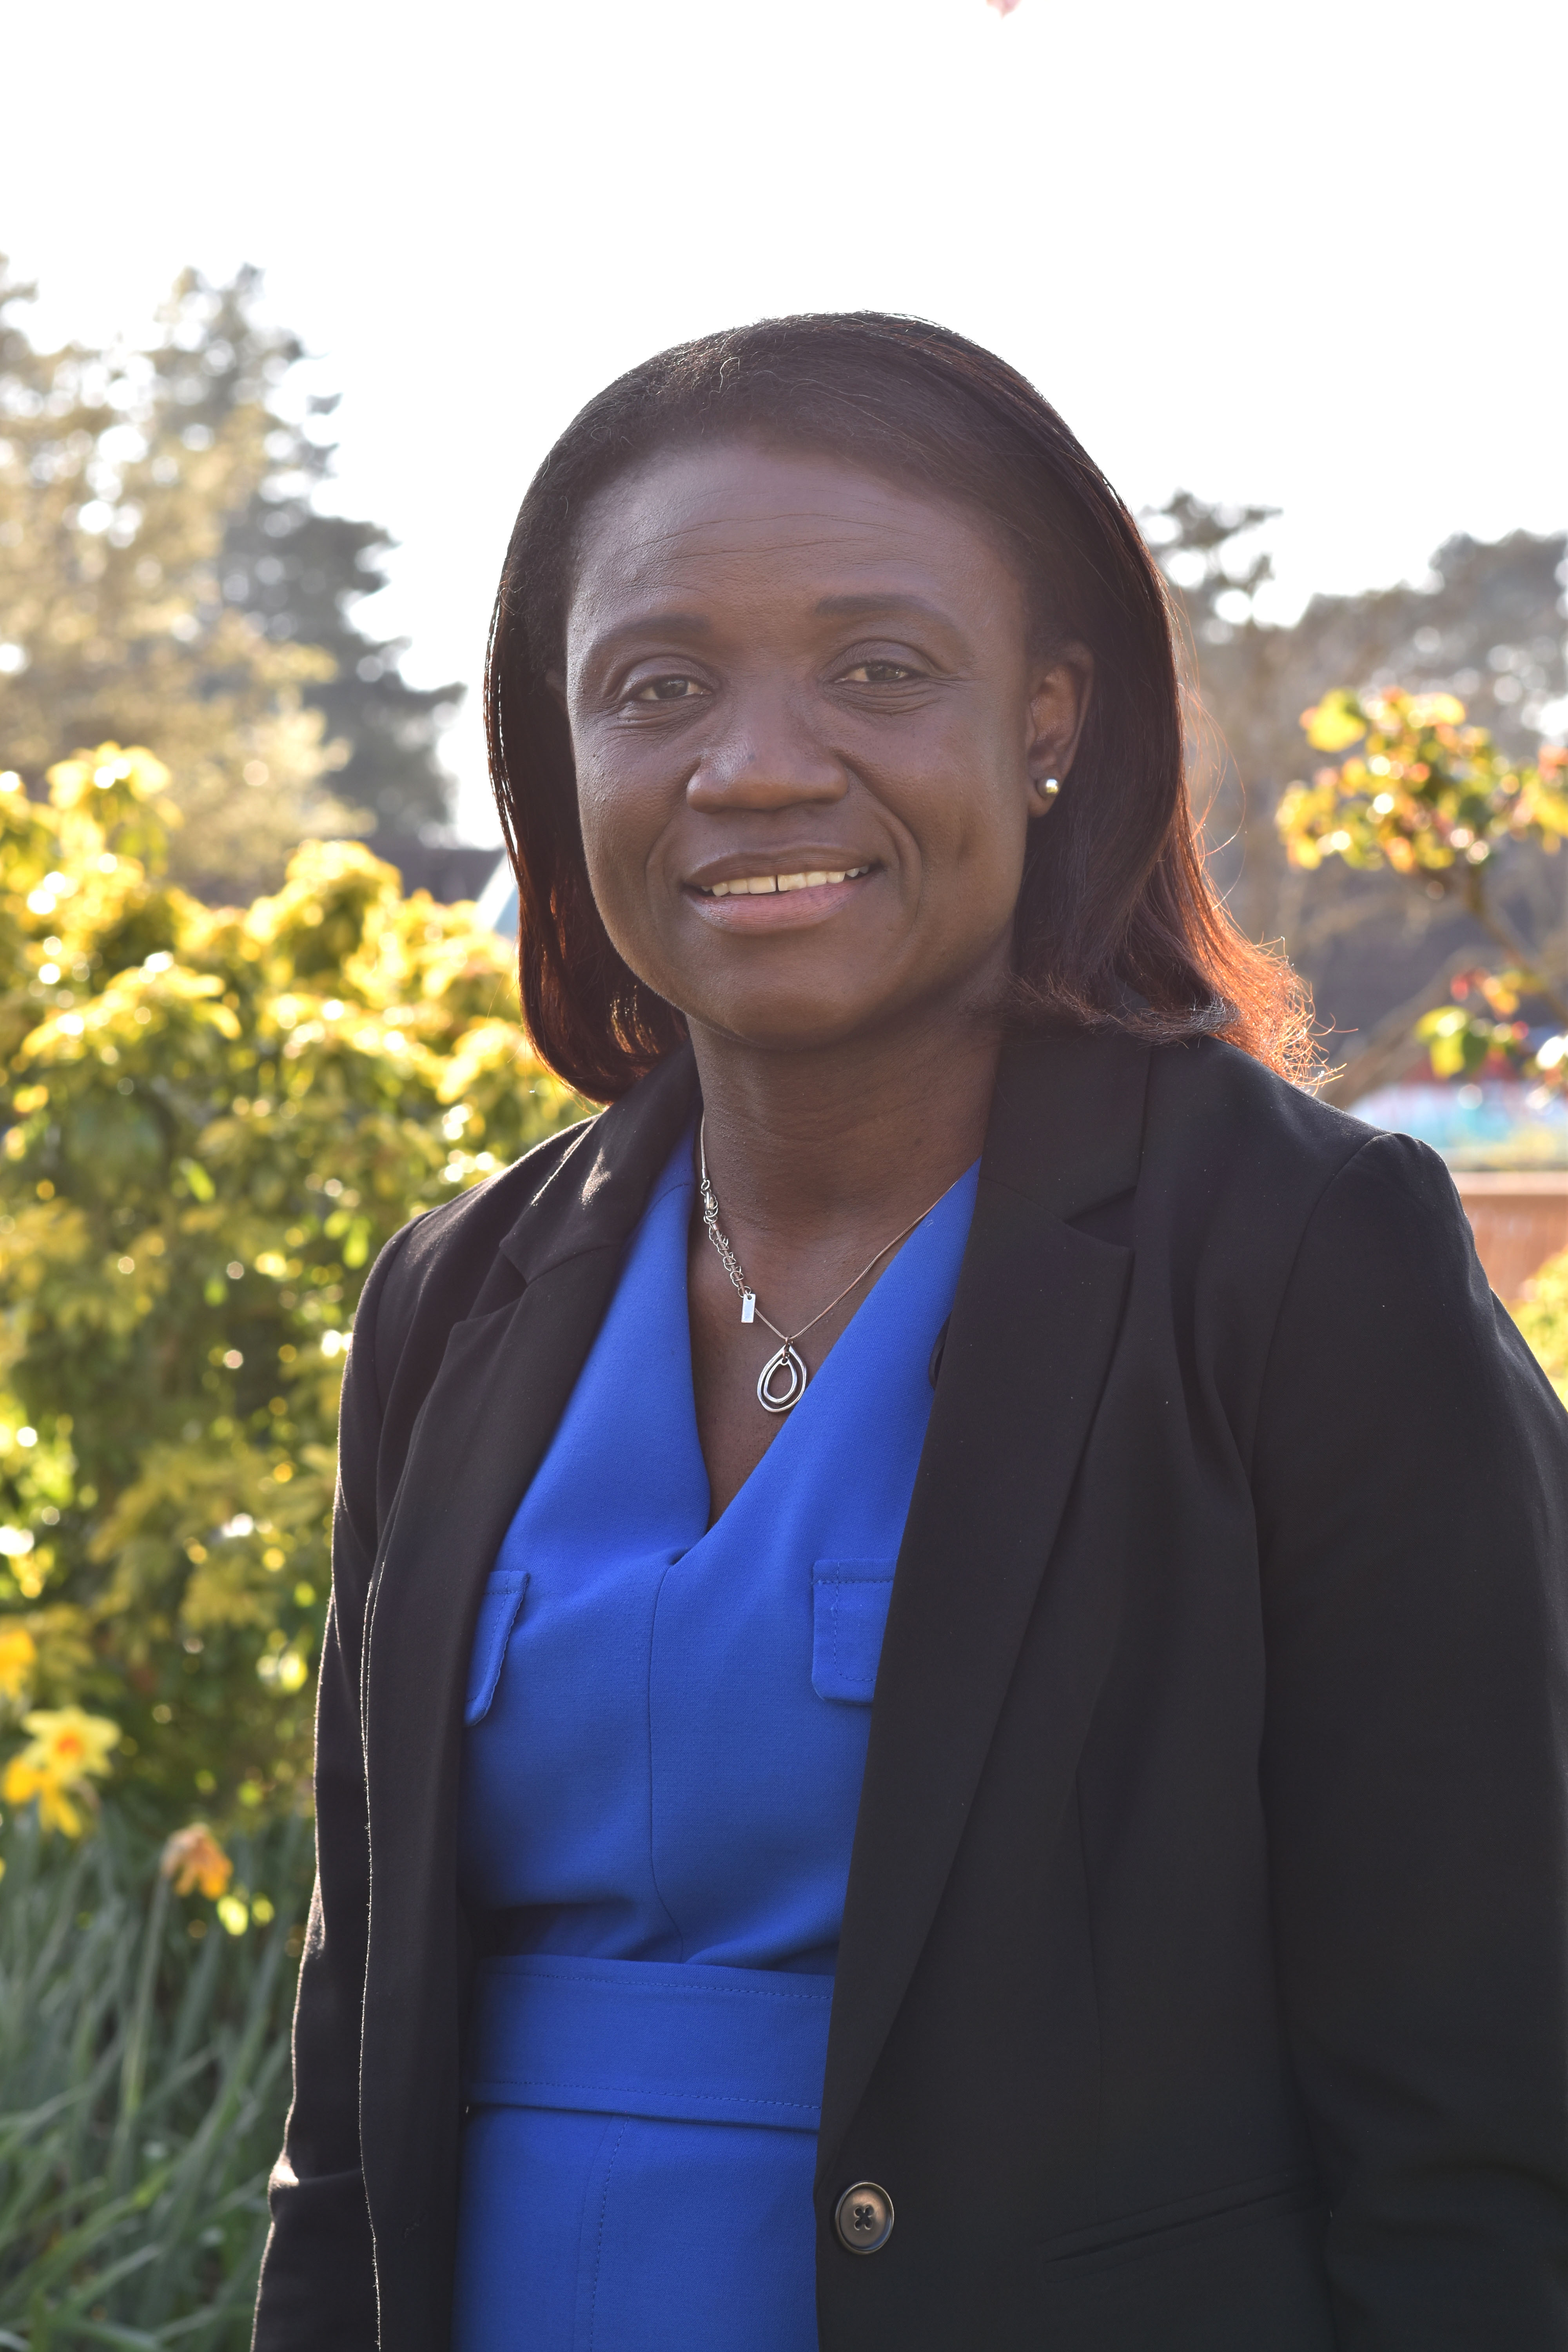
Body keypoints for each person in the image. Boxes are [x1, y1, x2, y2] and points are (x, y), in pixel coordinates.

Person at [252, 315, 1568, 2352]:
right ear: (557, 752)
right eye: (657, 686)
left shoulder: (1303, 1263)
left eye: (879, 669)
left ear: (1048, 717)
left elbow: (1487, 2121)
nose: (756, 762)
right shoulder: (453, 1303)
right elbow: (345, 2115)